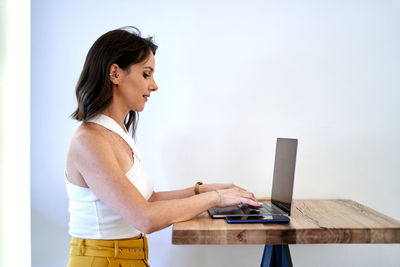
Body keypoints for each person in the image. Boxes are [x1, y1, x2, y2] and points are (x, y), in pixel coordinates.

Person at [65, 26, 260, 267]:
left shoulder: (116, 132)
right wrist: (215, 199)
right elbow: (144, 218)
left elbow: (149, 199)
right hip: (102, 260)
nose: (154, 85)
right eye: (146, 74)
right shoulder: (89, 140)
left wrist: (204, 190)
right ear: (115, 73)